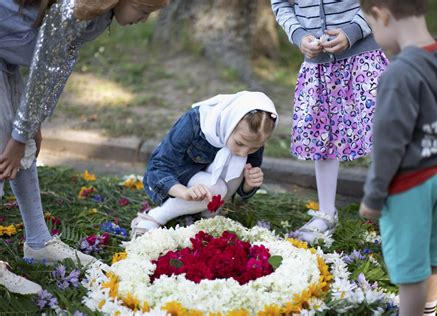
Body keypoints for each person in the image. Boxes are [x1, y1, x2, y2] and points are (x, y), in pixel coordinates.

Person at [0, 0, 169, 295]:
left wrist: (31, 123)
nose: (143, 20)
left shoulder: (99, 16)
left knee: (19, 144)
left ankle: (38, 241)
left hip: (6, 56)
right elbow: (45, 67)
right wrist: (17, 136)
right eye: (143, 11)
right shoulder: (75, 8)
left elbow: (55, 63)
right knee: (4, 147)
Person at [357, 0, 437, 315]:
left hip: (410, 184)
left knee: (410, 273)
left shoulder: (399, 74)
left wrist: (374, 197)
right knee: (431, 259)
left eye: (372, 26)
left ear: (382, 15)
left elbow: (388, 146)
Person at [271, 0, 389, 241]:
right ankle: (326, 213)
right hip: (318, 67)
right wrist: (300, 35)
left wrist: (352, 32)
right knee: (323, 135)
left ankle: (403, 203)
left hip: (364, 58)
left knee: (382, 131)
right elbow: (281, 3)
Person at [131, 91, 279, 238]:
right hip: (178, 175)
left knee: (240, 163)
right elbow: (158, 166)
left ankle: (209, 214)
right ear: (229, 121)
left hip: (207, 184)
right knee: (217, 188)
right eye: (239, 143)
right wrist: (183, 192)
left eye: (254, 148)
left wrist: (250, 183)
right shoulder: (197, 121)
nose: (244, 152)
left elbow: (242, 190)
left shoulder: (253, 137)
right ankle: (154, 216)